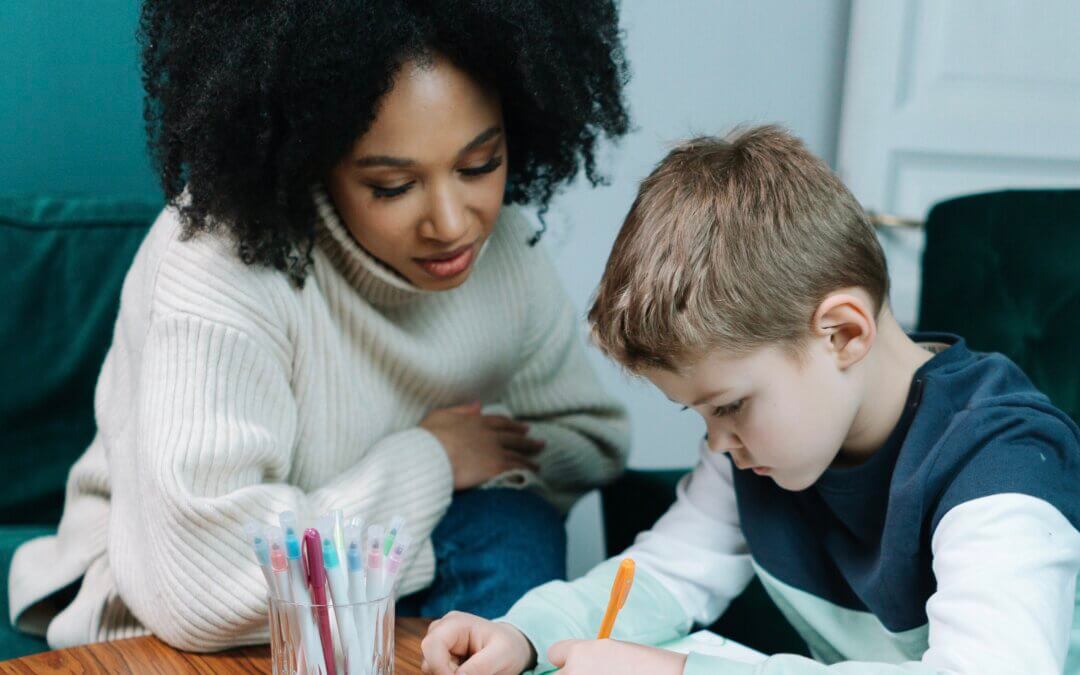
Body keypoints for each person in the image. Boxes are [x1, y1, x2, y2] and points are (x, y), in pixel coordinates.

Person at [8, 0, 632, 651]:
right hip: (186, 612)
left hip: (391, 575)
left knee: (511, 523)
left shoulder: (504, 251)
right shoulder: (217, 264)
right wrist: (434, 457)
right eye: (392, 185)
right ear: (310, 155)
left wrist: (470, 466)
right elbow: (207, 587)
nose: (452, 222)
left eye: (480, 165)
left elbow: (585, 440)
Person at [420, 126, 1080, 674]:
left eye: (730, 405)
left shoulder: (1002, 465)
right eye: (701, 414)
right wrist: (526, 633)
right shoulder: (762, 450)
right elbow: (660, 576)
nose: (716, 442)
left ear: (842, 333)